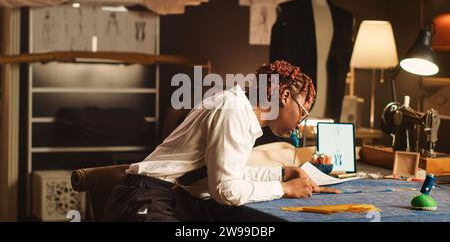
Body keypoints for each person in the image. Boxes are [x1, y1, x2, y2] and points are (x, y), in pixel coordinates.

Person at [103, 60, 341, 222]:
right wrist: (284, 189)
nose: (300, 122)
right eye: (303, 111)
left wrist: (282, 173)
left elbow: (227, 173)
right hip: (144, 201)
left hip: (162, 196)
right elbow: (226, 190)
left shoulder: (239, 109)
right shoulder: (233, 110)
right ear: (285, 96)